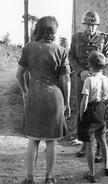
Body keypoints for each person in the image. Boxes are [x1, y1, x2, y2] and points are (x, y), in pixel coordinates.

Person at [16, 16, 71, 184]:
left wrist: (25, 91)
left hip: (34, 96)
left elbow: (19, 74)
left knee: (33, 140)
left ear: (38, 29)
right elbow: (65, 80)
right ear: (54, 31)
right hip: (54, 98)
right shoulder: (61, 51)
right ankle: (49, 178)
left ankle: (30, 178)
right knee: (51, 140)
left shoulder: (28, 48)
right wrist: (67, 102)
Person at [69, 10, 108, 161]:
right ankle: (84, 143)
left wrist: (96, 72)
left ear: (97, 25)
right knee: (83, 110)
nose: (91, 28)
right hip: (81, 79)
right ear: (84, 24)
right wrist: (80, 72)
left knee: (97, 111)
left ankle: (99, 148)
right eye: (88, 25)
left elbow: (107, 58)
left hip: (98, 79)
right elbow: (71, 57)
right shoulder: (76, 38)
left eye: (94, 25)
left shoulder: (105, 38)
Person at [78, 51, 108, 183]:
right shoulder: (106, 79)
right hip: (101, 110)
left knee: (89, 143)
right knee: (102, 139)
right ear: (103, 66)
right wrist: (103, 107)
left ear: (89, 65)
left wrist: (81, 116)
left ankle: (92, 174)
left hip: (90, 112)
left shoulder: (89, 80)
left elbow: (84, 101)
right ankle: (106, 167)